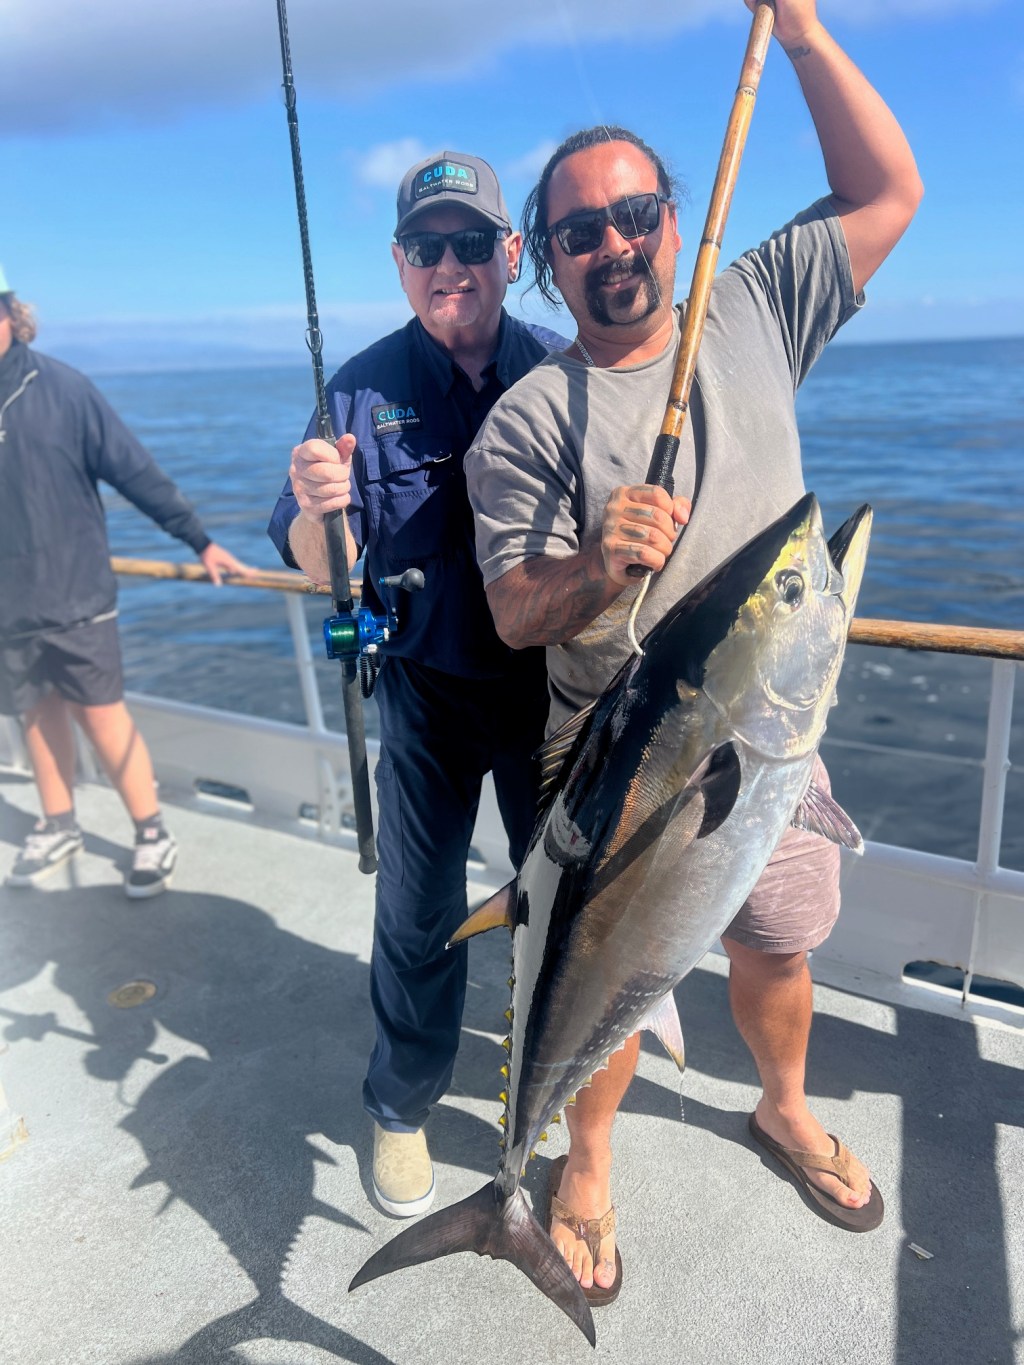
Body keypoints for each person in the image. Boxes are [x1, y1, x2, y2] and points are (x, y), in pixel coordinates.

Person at [465, 0, 923, 1304]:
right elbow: (513, 612)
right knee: (610, 976)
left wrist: (805, 38)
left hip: (765, 734)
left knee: (779, 946)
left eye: (631, 215)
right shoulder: (528, 420)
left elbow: (890, 188)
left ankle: (781, 1105)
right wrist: (594, 564)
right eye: (578, 232)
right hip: (611, 766)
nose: (612, 244)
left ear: (671, 216)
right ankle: (579, 1165)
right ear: (549, 265)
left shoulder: (759, 303)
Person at [267, 152, 567, 1218]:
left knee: (559, 906)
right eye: (428, 247)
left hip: (549, 694)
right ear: (400, 264)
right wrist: (318, 507)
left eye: (473, 243)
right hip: (425, 694)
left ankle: (550, 1077)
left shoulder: (562, 373)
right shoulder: (353, 388)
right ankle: (400, 1105)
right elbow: (315, 562)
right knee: (418, 912)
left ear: (511, 255)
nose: (452, 265)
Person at [0, 270, 250, 898]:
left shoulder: (61, 389)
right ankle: (58, 823)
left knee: (104, 720)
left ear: (10, 313)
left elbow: (135, 471)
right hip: (7, 607)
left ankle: (151, 830)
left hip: (74, 596)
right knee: (33, 717)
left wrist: (198, 538)